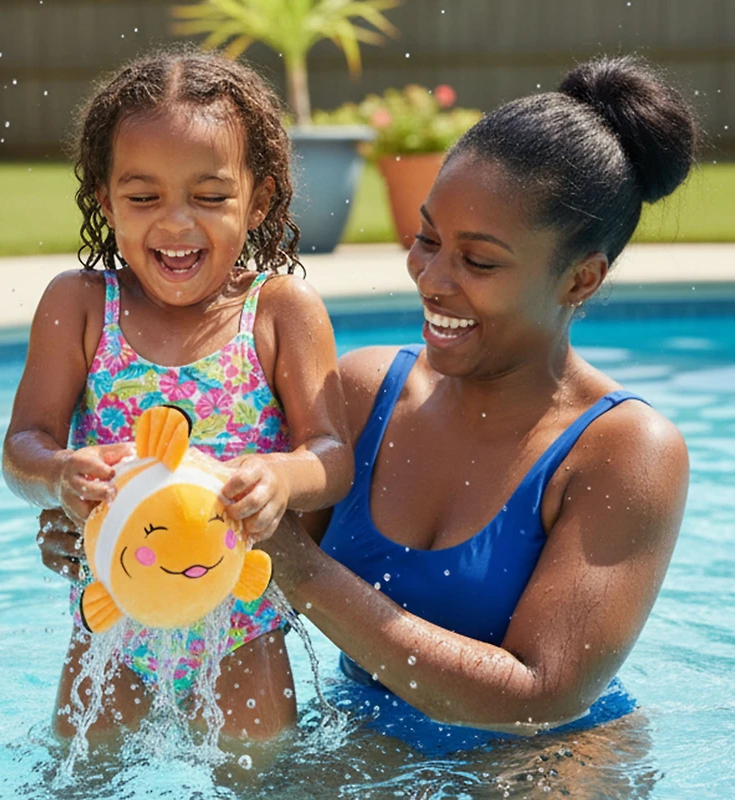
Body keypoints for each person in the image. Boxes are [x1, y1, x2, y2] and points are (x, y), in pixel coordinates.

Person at [37, 54, 695, 758]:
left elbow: (539, 697)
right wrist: (119, 538)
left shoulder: (626, 449)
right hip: (367, 740)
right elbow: (224, 564)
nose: (432, 280)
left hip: (545, 759)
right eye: (427, 240)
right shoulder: (364, 392)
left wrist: (293, 560)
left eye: (478, 262)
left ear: (580, 279)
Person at [3, 49, 353, 745]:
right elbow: (22, 446)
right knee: (81, 778)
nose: (176, 224)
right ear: (104, 200)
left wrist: (281, 477)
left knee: (264, 784)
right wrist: (58, 474)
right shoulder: (79, 306)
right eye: (143, 197)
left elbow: (332, 454)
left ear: (258, 200)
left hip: (242, 624)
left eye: (210, 196)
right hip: (112, 619)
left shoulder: (281, 310)